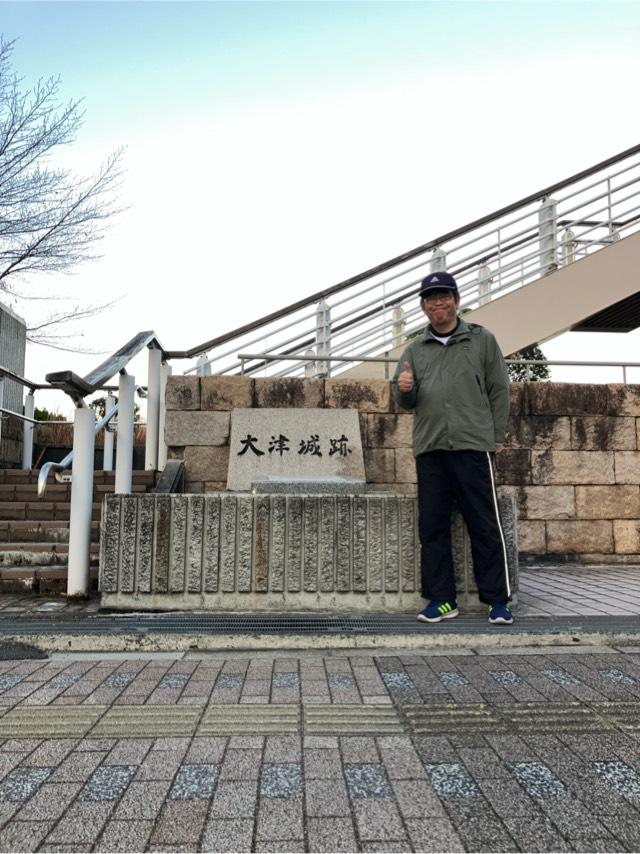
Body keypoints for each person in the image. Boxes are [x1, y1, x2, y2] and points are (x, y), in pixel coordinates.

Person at [391, 271, 513, 625]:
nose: (438, 303)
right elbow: (404, 400)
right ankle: (442, 599)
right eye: (430, 298)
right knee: (432, 527)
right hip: (430, 446)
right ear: (423, 307)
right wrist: (404, 388)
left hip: (473, 444)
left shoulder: (481, 339)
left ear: (456, 300)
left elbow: (499, 388)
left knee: (484, 523)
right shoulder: (415, 349)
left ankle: (497, 600)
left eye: (444, 296)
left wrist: (497, 434)